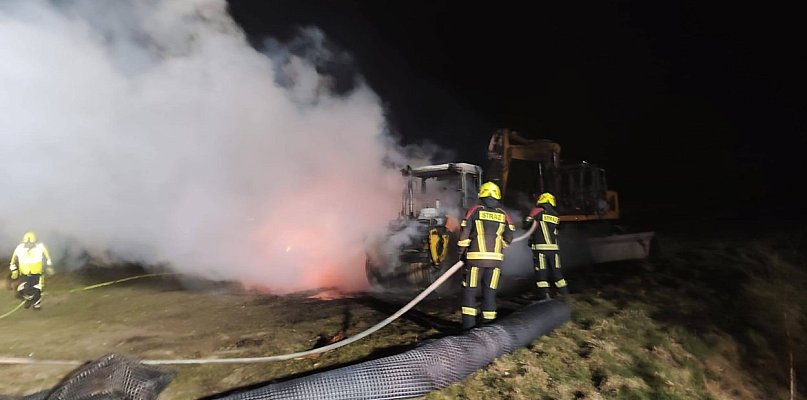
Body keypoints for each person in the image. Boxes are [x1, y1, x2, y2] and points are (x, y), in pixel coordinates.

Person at [457, 181, 515, 330]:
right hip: (495, 262)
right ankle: (489, 329)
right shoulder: (503, 214)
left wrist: (461, 255)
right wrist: (502, 245)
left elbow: (464, 235)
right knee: (490, 293)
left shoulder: (474, 210)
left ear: (481, 195)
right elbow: (509, 235)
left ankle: (468, 329)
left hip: (475, 260)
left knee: (470, 291)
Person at [524, 192, 568, 299]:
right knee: (557, 273)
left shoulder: (537, 211)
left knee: (542, 275)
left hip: (541, 249)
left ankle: (545, 297)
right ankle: (565, 296)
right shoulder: (555, 215)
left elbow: (526, 225)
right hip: (554, 250)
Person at [9, 231, 54, 310]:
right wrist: (14, 270)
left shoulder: (40, 247)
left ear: (35, 241)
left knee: (37, 288)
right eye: (27, 244)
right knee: (22, 289)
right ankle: (29, 299)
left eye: (31, 244)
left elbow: (48, 258)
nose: (29, 245)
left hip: (37, 273)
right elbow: (12, 261)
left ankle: (37, 304)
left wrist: (49, 267)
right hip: (24, 273)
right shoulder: (19, 248)